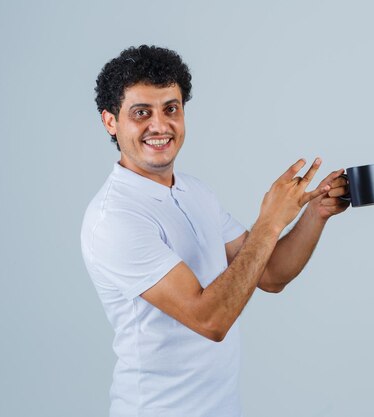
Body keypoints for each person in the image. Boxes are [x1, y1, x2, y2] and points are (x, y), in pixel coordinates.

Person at [81, 45, 349, 417]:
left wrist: (315, 213)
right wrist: (270, 221)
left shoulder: (196, 192)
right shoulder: (115, 219)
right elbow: (210, 320)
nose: (160, 125)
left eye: (170, 109)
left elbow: (269, 274)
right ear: (111, 122)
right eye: (141, 113)